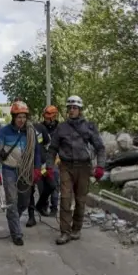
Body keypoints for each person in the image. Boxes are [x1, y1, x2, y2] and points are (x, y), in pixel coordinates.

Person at [46, 95, 106, 245]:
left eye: (75, 108)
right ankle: (64, 232)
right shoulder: (61, 128)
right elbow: (52, 149)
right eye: (70, 108)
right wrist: (49, 166)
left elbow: (100, 148)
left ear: (80, 110)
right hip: (66, 166)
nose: (72, 110)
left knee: (80, 200)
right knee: (65, 199)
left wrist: (100, 166)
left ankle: (76, 229)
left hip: (84, 168)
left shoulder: (89, 127)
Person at [0, 100, 42, 246]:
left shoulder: (31, 132)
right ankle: (16, 233)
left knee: (24, 201)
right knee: (12, 201)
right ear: (13, 117)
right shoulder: (4, 131)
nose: (21, 120)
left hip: (25, 170)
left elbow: (37, 151)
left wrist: (37, 168)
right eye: (19, 117)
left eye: (24, 117)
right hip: (9, 170)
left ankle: (13, 217)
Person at [34, 105, 61, 218]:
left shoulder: (60, 128)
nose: (47, 120)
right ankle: (43, 206)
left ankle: (54, 207)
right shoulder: (40, 128)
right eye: (45, 117)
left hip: (55, 160)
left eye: (49, 118)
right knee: (42, 185)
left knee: (54, 185)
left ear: (54, 117)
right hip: (43, 160)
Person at [26, 109, 51, 227]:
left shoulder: (40, 128)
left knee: (50, 185)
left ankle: (41, 205)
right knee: (30, 190)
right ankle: (31, 217)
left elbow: (47, 142)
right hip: (28, 165)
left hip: (42, 163)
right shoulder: (20, 131)